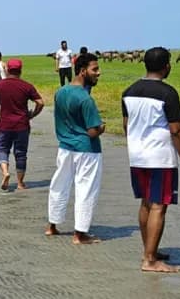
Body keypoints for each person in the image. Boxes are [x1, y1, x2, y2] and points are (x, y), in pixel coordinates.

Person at [121, 46, 180, 274]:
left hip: (137, 156)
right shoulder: (168, 93)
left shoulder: (129, 91)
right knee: (159, 206)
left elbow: (126, 125)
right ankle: (150, 260)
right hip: (160, 158)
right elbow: (177, 130)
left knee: (145, 202)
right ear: (167, 66)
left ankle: (149, 250)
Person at [46, 53, 105, 244]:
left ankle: (52, 225)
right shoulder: (86, 99)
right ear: (82, 71)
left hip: (65, 147)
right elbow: (92, 131)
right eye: (95, 69)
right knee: (86, 189)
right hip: (87, 150)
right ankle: (80, 233)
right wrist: (102, 127)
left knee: (59, 185)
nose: (98, 73)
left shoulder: (60, 92)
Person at [0, 58, 44, 191]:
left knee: (2, 150)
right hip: (22, 125)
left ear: (7, 70)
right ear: (20, 70)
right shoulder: (26, 86)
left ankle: (5, 172)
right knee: (20, 153)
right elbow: (40, 102)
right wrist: (33, 114)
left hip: (5, 124)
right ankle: (20, 183)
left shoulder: (0, 85)